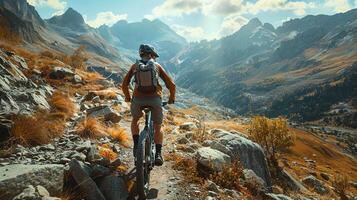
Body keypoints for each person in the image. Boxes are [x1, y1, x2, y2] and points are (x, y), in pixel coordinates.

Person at [121, 44, 176, 166]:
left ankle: (136, 146)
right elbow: (171, 85)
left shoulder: (135, 66)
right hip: (155, 99)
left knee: (135, 119)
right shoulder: (157, 66)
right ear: (151, 55)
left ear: (141, 54)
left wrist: (128, 97)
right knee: (158, 126)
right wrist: (172, 98)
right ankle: (158, 154)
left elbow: (124, 85)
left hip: (138, 100)